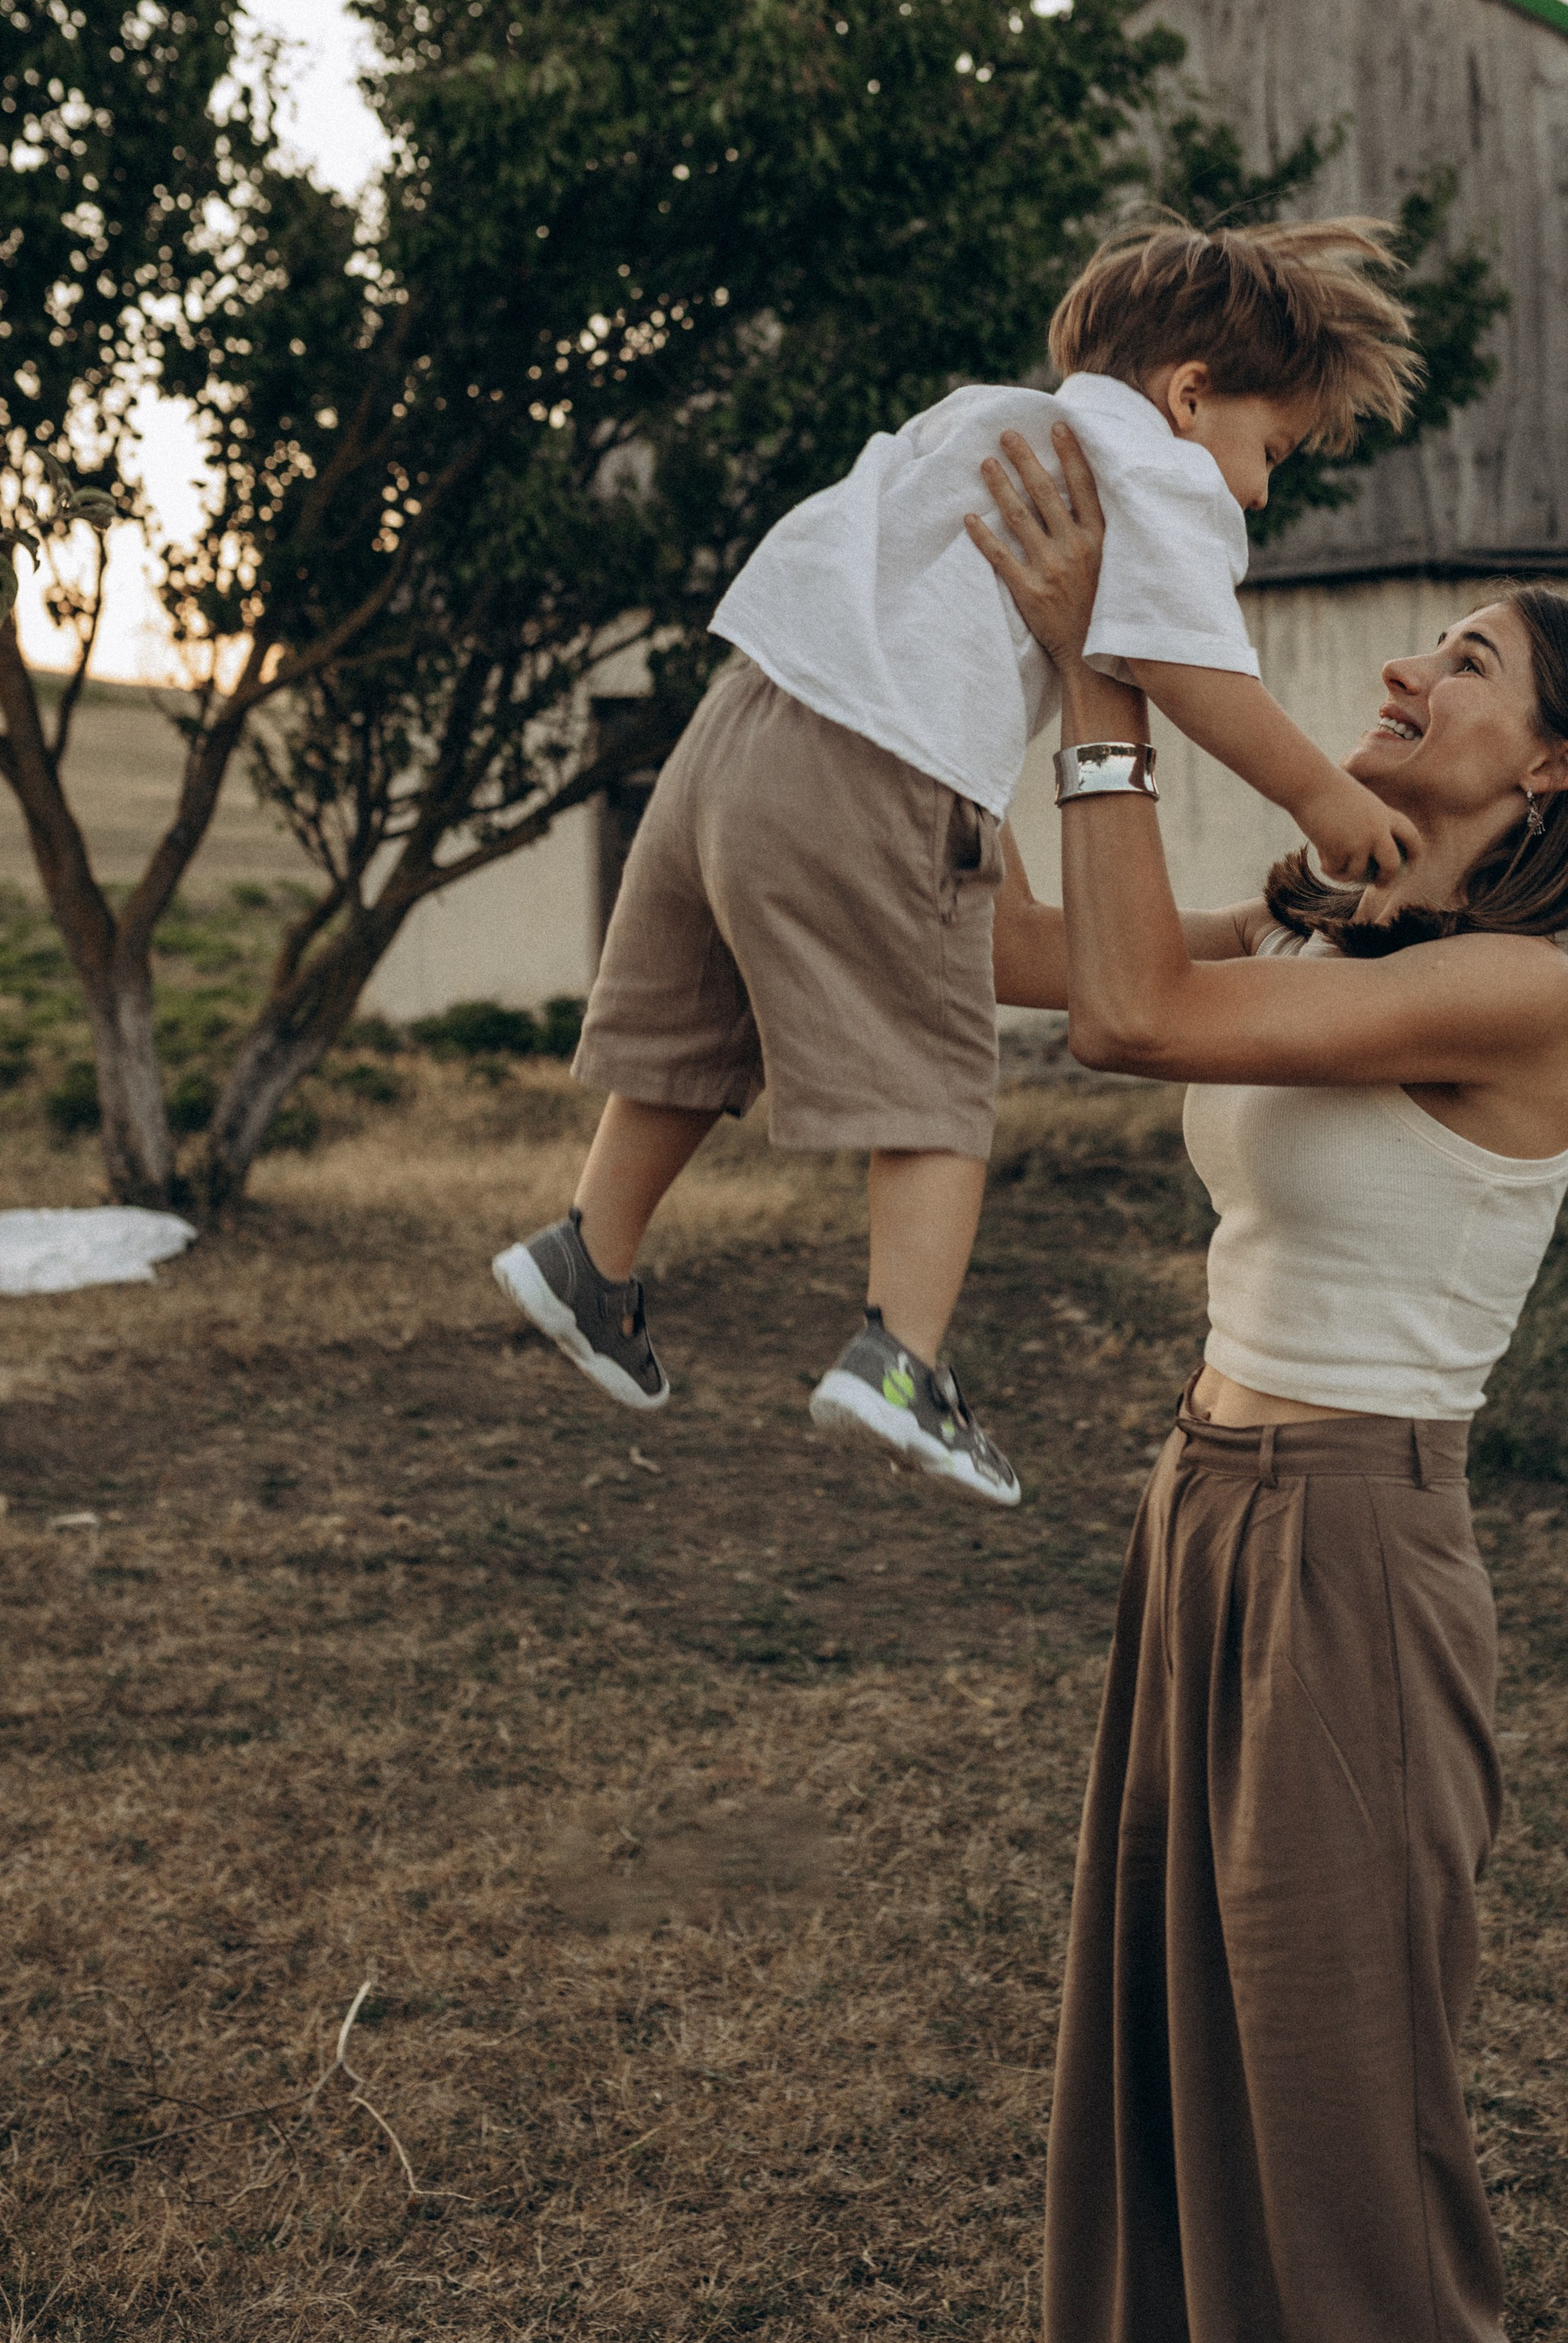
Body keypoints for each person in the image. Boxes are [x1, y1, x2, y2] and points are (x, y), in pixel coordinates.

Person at [970, 418, 1568, 2343]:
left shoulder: (1518, 993)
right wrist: (980, 672)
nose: (1400, 671)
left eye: (1461, 659)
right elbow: (1031, 955)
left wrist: (1111, 674)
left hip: (1356, 1544)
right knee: (1173, 2054)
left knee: (1343, 2113)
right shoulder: (1311, 924)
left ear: (1553, 768)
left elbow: (1132, 1020)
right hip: (1201, 1508)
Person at [492, 218, 1421, 1507]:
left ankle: (589, 1254)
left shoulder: (976, 417)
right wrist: (1323, 799)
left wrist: (1246, 926)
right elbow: (1188, 666)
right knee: (935, 1086)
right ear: (1190, 394)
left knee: (690, 1037)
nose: (1259, 490)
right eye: (1271, 451)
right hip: (886, 768)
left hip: (737, 733)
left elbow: (1001, 941)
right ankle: (901, 1363)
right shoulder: (1153, 470)